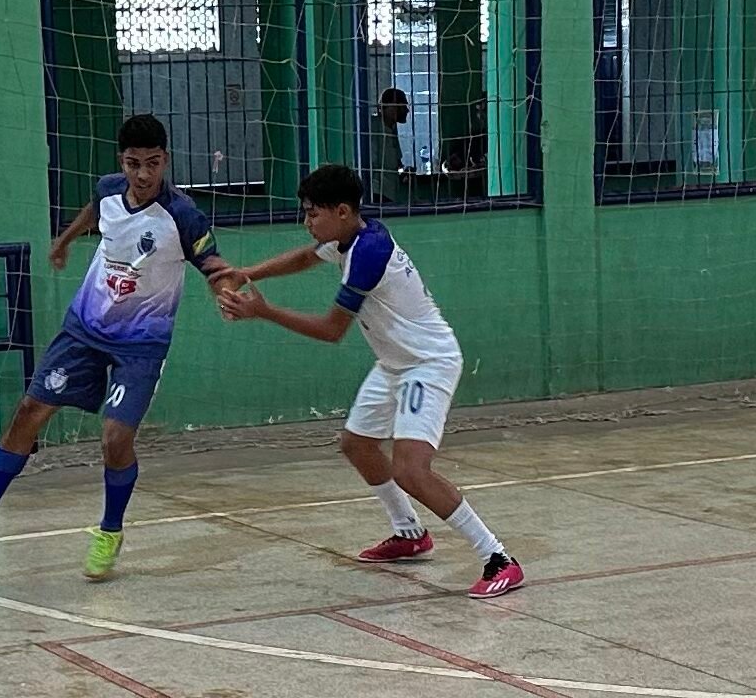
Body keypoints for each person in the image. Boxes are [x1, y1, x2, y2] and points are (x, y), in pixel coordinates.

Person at [0, 114, 239, 580]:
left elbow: (210, 261)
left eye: (153, 164)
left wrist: (224, 288)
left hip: (141, 345)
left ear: (166, 160)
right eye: (134, 164)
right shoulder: (109, 188)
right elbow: (95, 208)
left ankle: (110, 530)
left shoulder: (183, 215)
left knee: (115, 439)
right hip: (85, 330)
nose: (143, 175)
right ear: (122, 162)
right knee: (29, 411)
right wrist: (66, 240)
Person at [213, 164, 523, 599]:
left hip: (427, 364)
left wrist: (263, 311)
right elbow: (305, 255)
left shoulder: (368, 255)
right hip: (395, 362)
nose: (307, 223)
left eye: (312, 214)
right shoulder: (348, 237)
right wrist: (249, 273)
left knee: (411, 469)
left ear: (342, 211)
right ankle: (409, 533)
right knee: (357, 444)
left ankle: (499, 558)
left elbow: (331, 330)